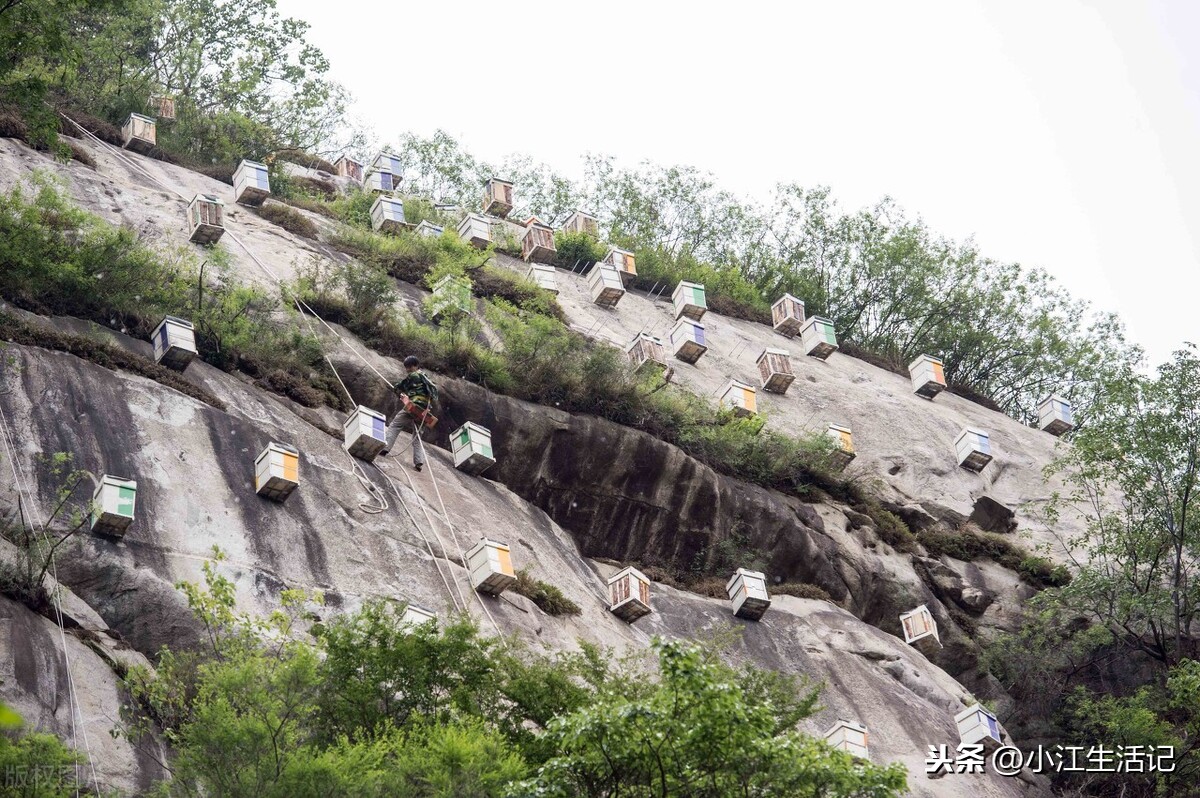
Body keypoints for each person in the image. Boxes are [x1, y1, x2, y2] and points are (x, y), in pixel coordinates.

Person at [381, 356, 438, 471]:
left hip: (414, 407)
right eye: (407, 367)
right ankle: (419, 462)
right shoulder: (425, 378)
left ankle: (385, 448)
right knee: (417, 437)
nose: (407, 369)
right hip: (423, 412)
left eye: (409, 367)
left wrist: (397, 390)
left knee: (395, 425)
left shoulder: (414, 375)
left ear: (415, 366)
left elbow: (401, 386)